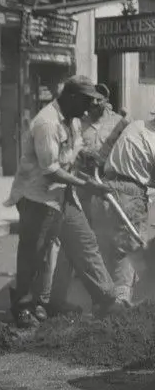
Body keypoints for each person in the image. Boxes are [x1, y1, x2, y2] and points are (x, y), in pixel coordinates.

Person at [7, 75, 123, 328]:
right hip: (37, 197)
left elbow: (73, 155)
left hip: (62, 196)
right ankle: (23, 307)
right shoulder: (47, 123)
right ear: (70, 97)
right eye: (85, 101)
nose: (88, 108)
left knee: (85, 242)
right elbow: (50, 170)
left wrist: (87, 159)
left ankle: (106, 299)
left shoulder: (73, 120)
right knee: (34, 254)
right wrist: (86, 185)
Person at [90, 116, 155, 303]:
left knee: (106, 252)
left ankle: (103, 304)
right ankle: (121, 305)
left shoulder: (136, 125)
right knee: (128, 252)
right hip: (129, 194)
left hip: (103, 187)